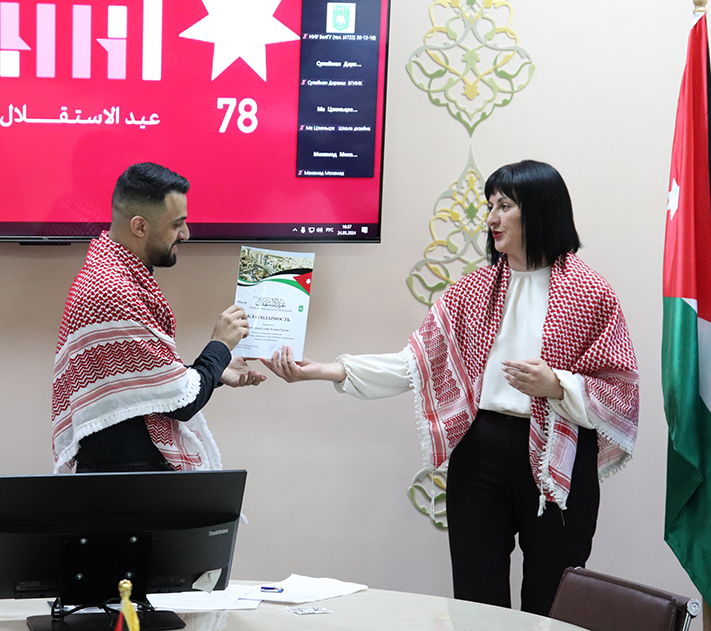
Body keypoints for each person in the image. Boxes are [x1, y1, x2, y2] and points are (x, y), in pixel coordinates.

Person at [261, 160, 639, 615]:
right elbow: (416, 364)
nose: (491, 218)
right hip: (481, 452)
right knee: (476, 601)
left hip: (560, 456)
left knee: (552, 601)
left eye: (504, 206)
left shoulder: (591, 292)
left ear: (540, 210)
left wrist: (557, 386)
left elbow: (620, 393)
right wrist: (323, 370)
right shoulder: (474, 290)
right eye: (490, 205)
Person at [52, 162, 266, 474]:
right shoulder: (112, 291)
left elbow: (146, 385)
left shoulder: (113, 274)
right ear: (140, 227)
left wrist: (217, 371)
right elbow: (181, 403)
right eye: (177, 224)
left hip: (126, 476)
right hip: (125, 485)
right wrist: (220, 345)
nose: (186, 234)